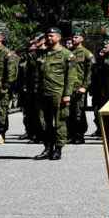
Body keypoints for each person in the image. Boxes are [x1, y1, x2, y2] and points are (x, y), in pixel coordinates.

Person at [34, 27, 77, 161]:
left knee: (59, 121)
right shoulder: (43, 53)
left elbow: (71, 77)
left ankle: (58, 149)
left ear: (58, 37)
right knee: (43, 122)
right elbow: (37, 74)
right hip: (43, 92)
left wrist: (67, 94)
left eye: (52, 36)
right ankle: (47, 148)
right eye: (47, 36)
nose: (49, 38)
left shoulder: (67, 55)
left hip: (58, 92)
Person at [68, 30, 94, 144]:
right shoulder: (68, 52)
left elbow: (90, 72)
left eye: (76, 37)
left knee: (79, 111)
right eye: (73, 37)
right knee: (68, 112)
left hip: (79, 87)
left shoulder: (86, 53)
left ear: (82, 39)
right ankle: (70, 134)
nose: (74, 39)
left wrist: (85, 86)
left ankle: (79, 134)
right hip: (69, 87)